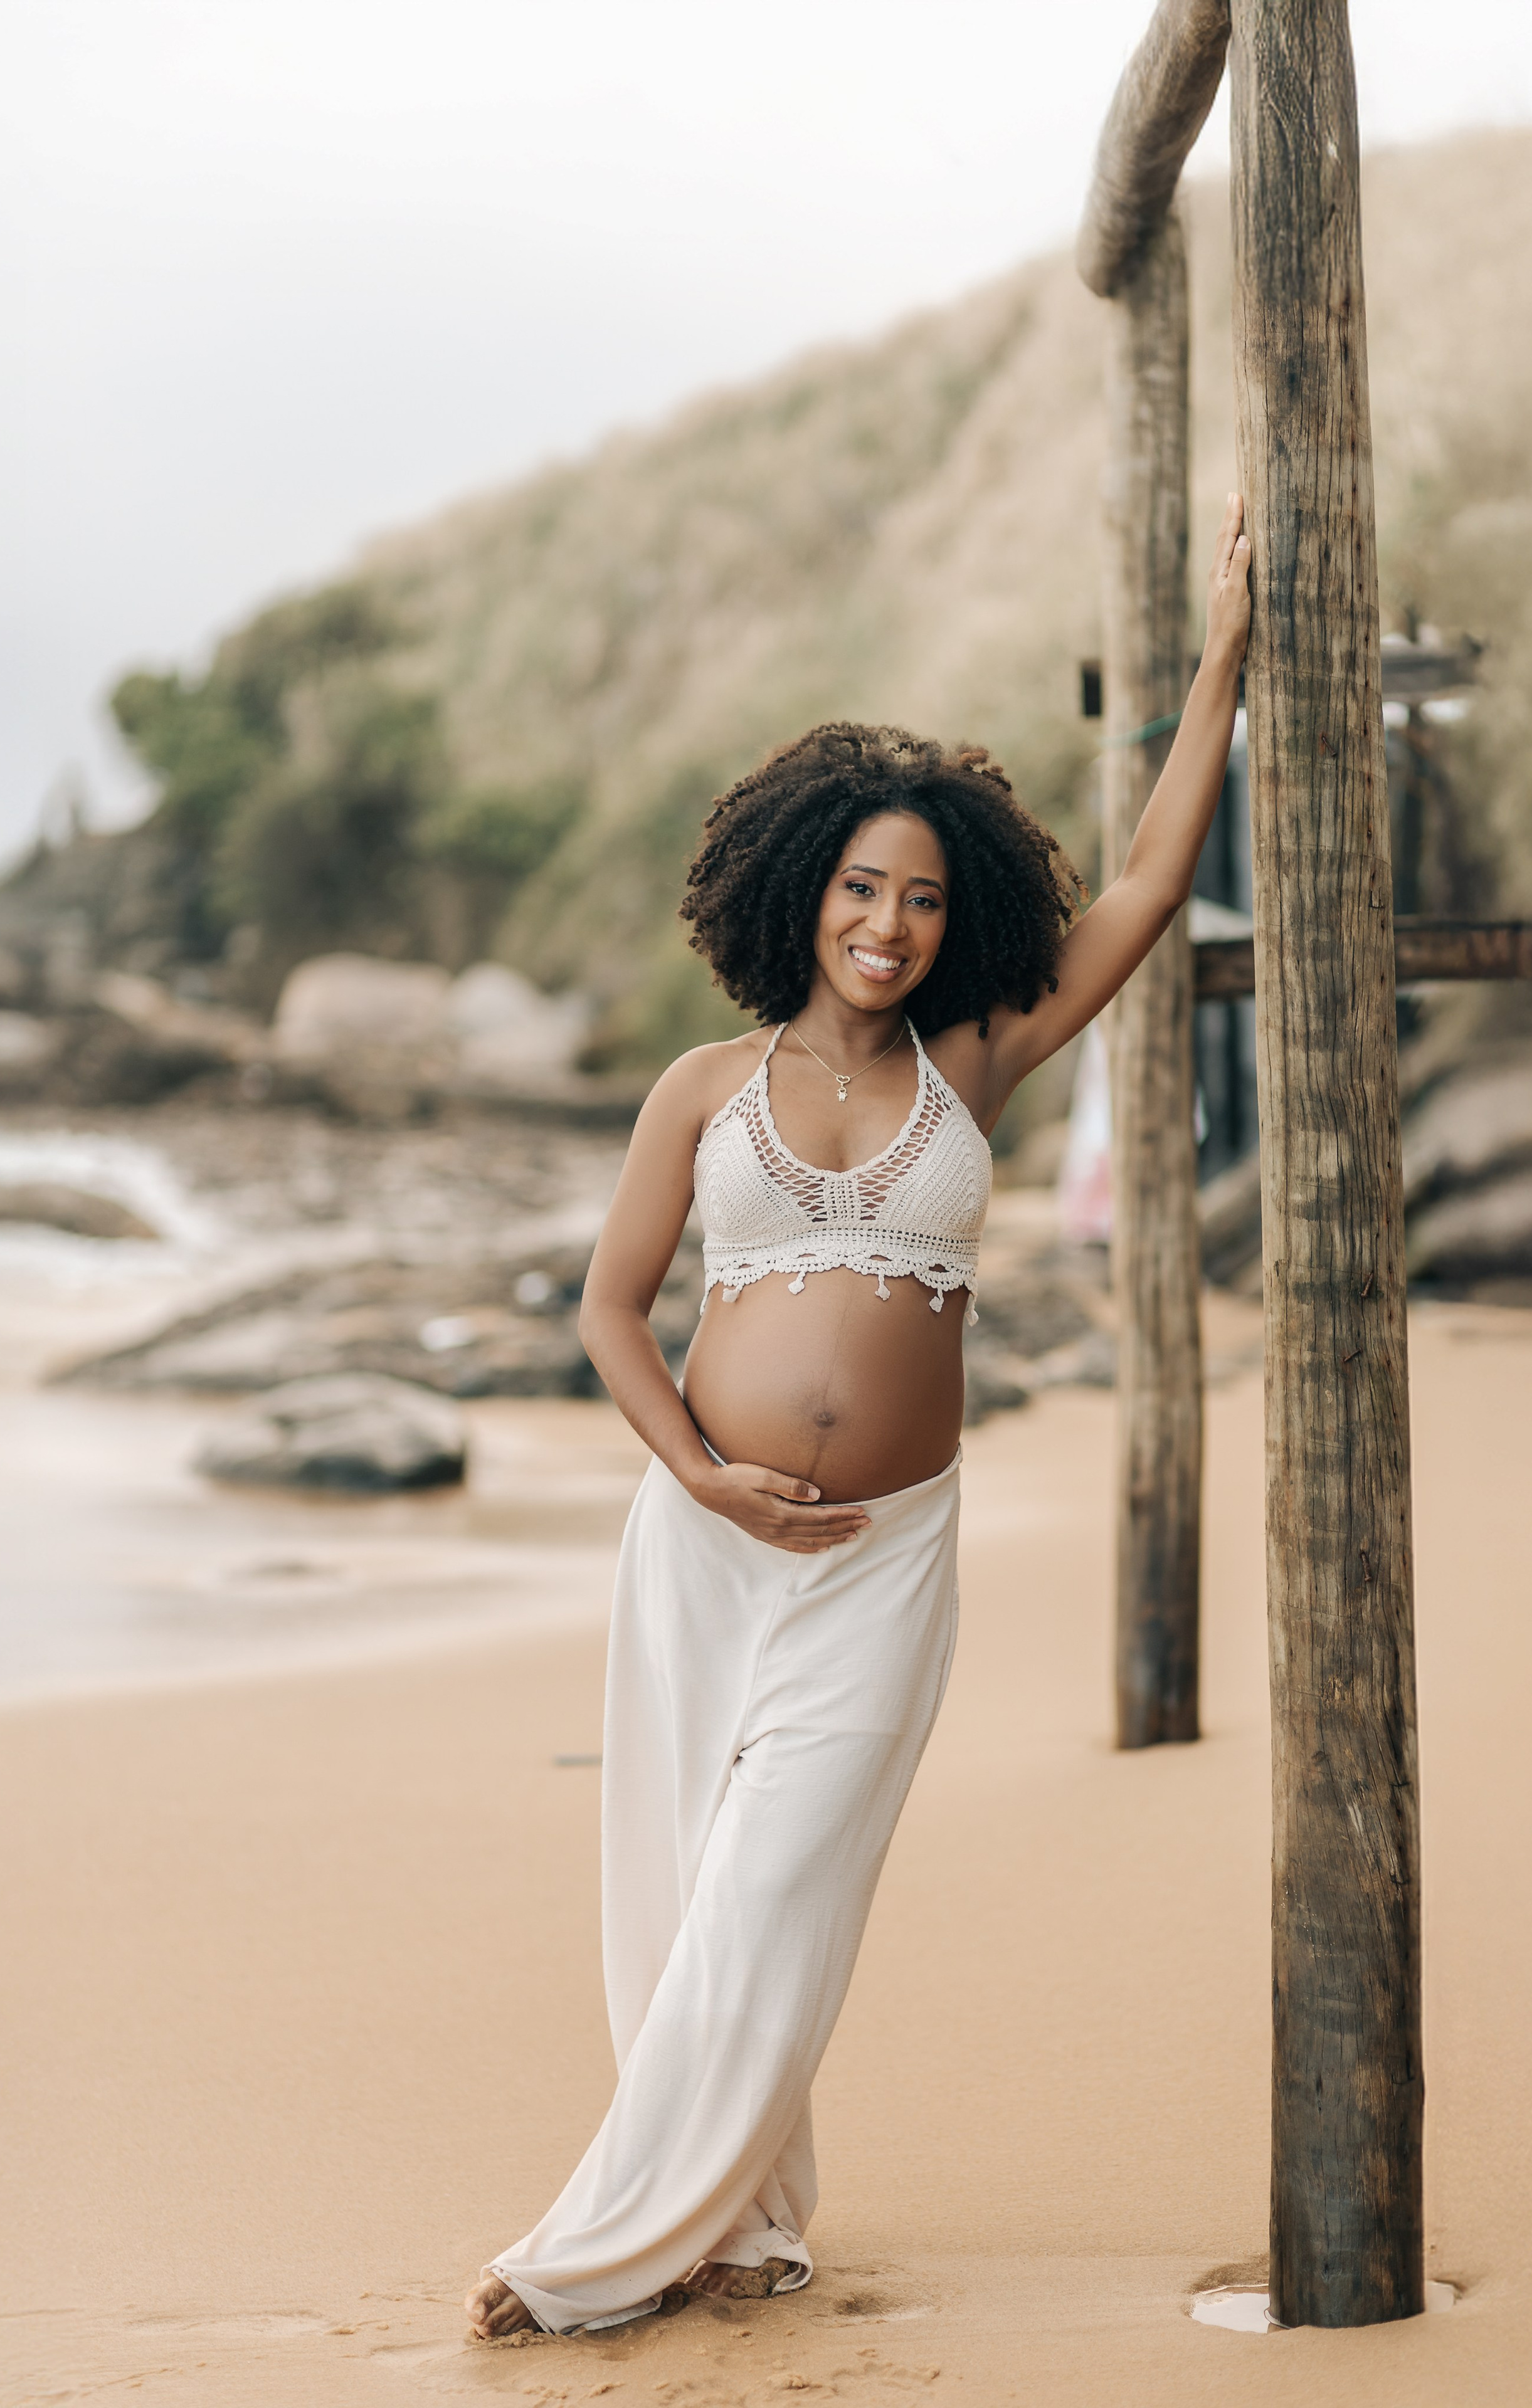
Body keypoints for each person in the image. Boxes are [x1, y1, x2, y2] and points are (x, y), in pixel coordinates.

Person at [466, 497, 1252, 2340]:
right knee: (676, 1887)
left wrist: (1225, 658)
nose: (890, 923)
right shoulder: (702, 1085)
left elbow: (1139, 887)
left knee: (771, 1885)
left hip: (884, 1559)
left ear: (953, 907)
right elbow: (609, 1306)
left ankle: (597, 2247)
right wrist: (702, 1473)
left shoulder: (976, 1058)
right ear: (798, 890)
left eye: (919, 895)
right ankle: (733, 2213)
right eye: (860, 889)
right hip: (704, 1544)